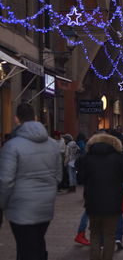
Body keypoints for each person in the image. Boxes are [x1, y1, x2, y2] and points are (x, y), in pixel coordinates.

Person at [0, 102, 62, 260]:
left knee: (26, 248)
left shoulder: (11, 146)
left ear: (16, 120)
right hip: (45, 206)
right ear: (35, 118)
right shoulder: (52, 145)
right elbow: (58, 176)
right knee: (37, 244)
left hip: (20, 207)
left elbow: (5, 180)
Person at [75, 133, 123, 260]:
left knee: (95, 234)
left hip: (93, 201)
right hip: (113, 202)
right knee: (110, 235)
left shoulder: (88, 158)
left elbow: (80, 178)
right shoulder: (118, 157)